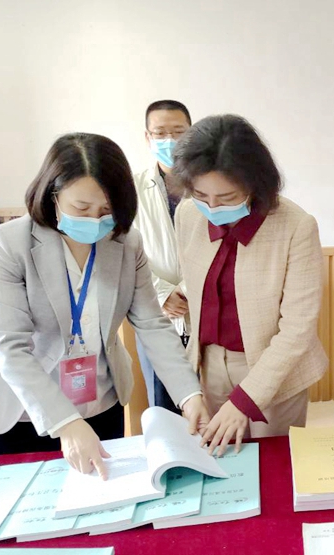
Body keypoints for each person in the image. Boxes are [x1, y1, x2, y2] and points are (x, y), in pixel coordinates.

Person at [0, 133, 208, 476]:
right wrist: (66, 423)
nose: (95, 221)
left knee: (105, 491)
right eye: (81, 208)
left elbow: (152, 324)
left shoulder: (126, 243)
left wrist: (189, 395)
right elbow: (9, 345)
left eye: (106, 211)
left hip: (100, 399)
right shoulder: (8, 244)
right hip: (24, 406)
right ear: (53, 194)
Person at [172, 114, 327, 455]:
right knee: (219, 459)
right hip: (209, 363)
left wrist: (245, 400)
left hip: (273, 369)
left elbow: (297, 329)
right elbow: (198, 281)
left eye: (227, 197)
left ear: (255, 183)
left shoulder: (295, 227)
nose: (212, 207)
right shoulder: (188, 213)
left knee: (273, 465)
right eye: (201, 194)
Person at [132, 99, 192, 412]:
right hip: (156, 317)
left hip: (205, 313)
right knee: (164, 407)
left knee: (211, 408)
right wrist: (162, 293)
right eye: (160, 133)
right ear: (147, 137)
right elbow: (122, 253)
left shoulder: (212, 186)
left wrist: (188, 289)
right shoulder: (130, 190)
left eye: (178, 132)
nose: (170, 140)